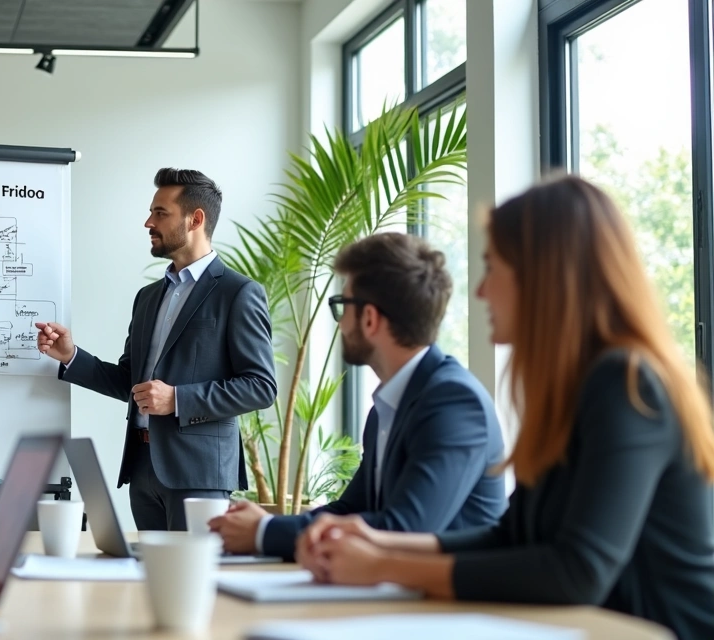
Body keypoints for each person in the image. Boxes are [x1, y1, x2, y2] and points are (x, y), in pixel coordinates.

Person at [297, 175, 714, 639]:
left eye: (492, 268)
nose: (480, 292)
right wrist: (379, 542)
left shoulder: (627, 384)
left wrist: (385, 565)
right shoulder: (570, 389)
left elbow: (578, 570)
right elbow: (508, 536)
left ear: (544, 277)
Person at [208, 232, 506, 559]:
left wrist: (265, 533)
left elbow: (406, 530)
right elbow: (351, 509)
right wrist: (262, 525)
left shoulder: (453, 402)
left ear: (369, 318)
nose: (340, 324)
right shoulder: (388, 405)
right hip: (395, 595)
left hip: (450, 606)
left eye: (342, 306)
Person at [36, 168, 277, 530]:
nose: (149, 222)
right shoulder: (149, 297)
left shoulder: (238, 293)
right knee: (147, 582)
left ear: (196, 219)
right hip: (142, 468)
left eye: (160, 213)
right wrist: (70, 356)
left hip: (199, 475)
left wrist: (177, 399)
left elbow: (261, 386)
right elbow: (129, 383)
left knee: (190, 584)